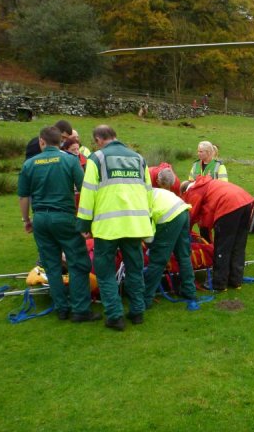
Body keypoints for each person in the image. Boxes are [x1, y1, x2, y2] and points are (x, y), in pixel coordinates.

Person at [17, 126, 100, 323]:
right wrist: (87, 220)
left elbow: (23, 196)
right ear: (61, 142)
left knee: (51, 264)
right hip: (64, 217)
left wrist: (26, 220)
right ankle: (81, 310)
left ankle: (62, 309)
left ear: (41, 142)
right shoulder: (70, 160)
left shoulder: (29, 164)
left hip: (41, 219)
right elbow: (84, 190)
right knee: (78, 263)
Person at [77, 125, 153, 331]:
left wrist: (83, 224)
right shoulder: (139, 159)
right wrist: (149, 223)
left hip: (107, 227)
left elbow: (88, 194)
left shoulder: (96, 159)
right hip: (135, 225)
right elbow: (149, 193)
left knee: (105, 272)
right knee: (135, 269)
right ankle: (137, 312)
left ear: (98, 139)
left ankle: (115, 315)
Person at [181, 176, 254, 291]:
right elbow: (207, 215)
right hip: (246, 202)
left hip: (229, 205)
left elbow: (191, 216)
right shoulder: (207, 184)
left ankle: (218, 283)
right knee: (238, 244)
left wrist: (184, 234)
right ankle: (236, 281)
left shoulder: (194, 191)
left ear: (185, 191)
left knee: (222, 247)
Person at [144, 169, 197, 308]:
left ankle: (145, 299)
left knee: (157, 260)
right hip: (183, 211)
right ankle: (189, 291)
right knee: (183, 255)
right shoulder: (153, 192)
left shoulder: (140, 202)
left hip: (170, 217)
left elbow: (147, 229)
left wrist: (150, 247)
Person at [188, 141, 228, 242]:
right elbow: (190, 182)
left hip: (212, 202)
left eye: (201, 151)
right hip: (198, 201)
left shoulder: (219, 166)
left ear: (209, 152)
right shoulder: (195, 165)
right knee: (201, 227)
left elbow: (224, 185)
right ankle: (206, 248)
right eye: (198, 151)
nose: (198, 153)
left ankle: (211, 249)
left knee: (209, 227)